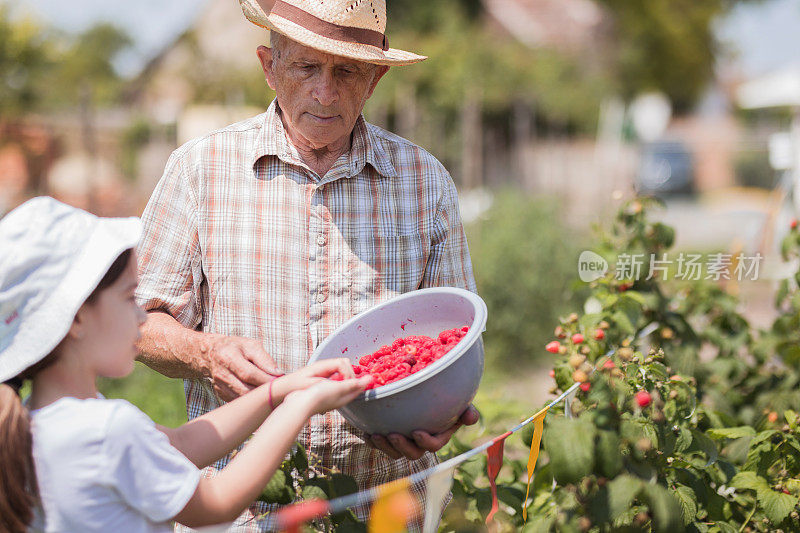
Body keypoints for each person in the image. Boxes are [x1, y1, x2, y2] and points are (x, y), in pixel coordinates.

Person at [135, 0, 480, 529]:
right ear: (268, 67)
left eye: (347, 71)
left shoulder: (424, 182)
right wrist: (205, 353)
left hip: (384, 509)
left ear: (375, 80)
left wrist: (442, 409)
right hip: (243, 512)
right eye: (305, 67)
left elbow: (454, 340)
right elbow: (141, 325)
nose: (326, 91)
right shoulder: (200, 171)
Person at [0, 197, 372, 533]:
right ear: (77, 318)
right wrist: (301, 406)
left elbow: (179, 443)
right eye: (130, 298)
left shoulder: (35, 424)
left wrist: (277, 392)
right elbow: (217, 504)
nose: (142, 317)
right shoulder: (109, 430)